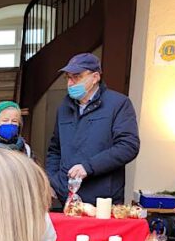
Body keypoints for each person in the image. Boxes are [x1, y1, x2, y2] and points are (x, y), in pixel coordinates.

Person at [46, 53, 140, 205]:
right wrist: (52, 181)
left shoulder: (119, 104)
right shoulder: (64, 107)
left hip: (102, 200)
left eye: (76, 77)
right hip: (66, 198)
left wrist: (88, 167)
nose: (70, 83)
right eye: (68, 77)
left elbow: (128, 146)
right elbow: (55, 149)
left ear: (95, 77)